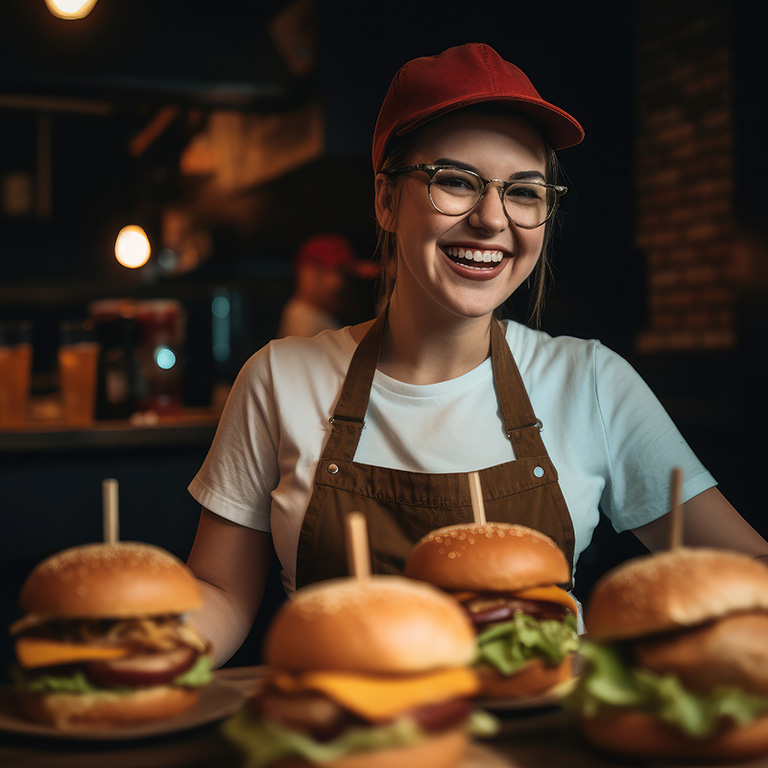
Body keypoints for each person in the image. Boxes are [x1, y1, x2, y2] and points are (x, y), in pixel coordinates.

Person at [186, 43, 768, 666]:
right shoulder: (279, 378)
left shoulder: (591, 381)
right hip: (354, 746)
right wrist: (125, 652)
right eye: (456, 182)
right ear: (386, 200)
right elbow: (220, 590)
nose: (493, 219)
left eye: (524, 192)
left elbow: (748, 569)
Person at [276, 233, 376, 338]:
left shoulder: (314, 315)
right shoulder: (306, 324)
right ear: (308, 273)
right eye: (341, 273)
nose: (342, 284)